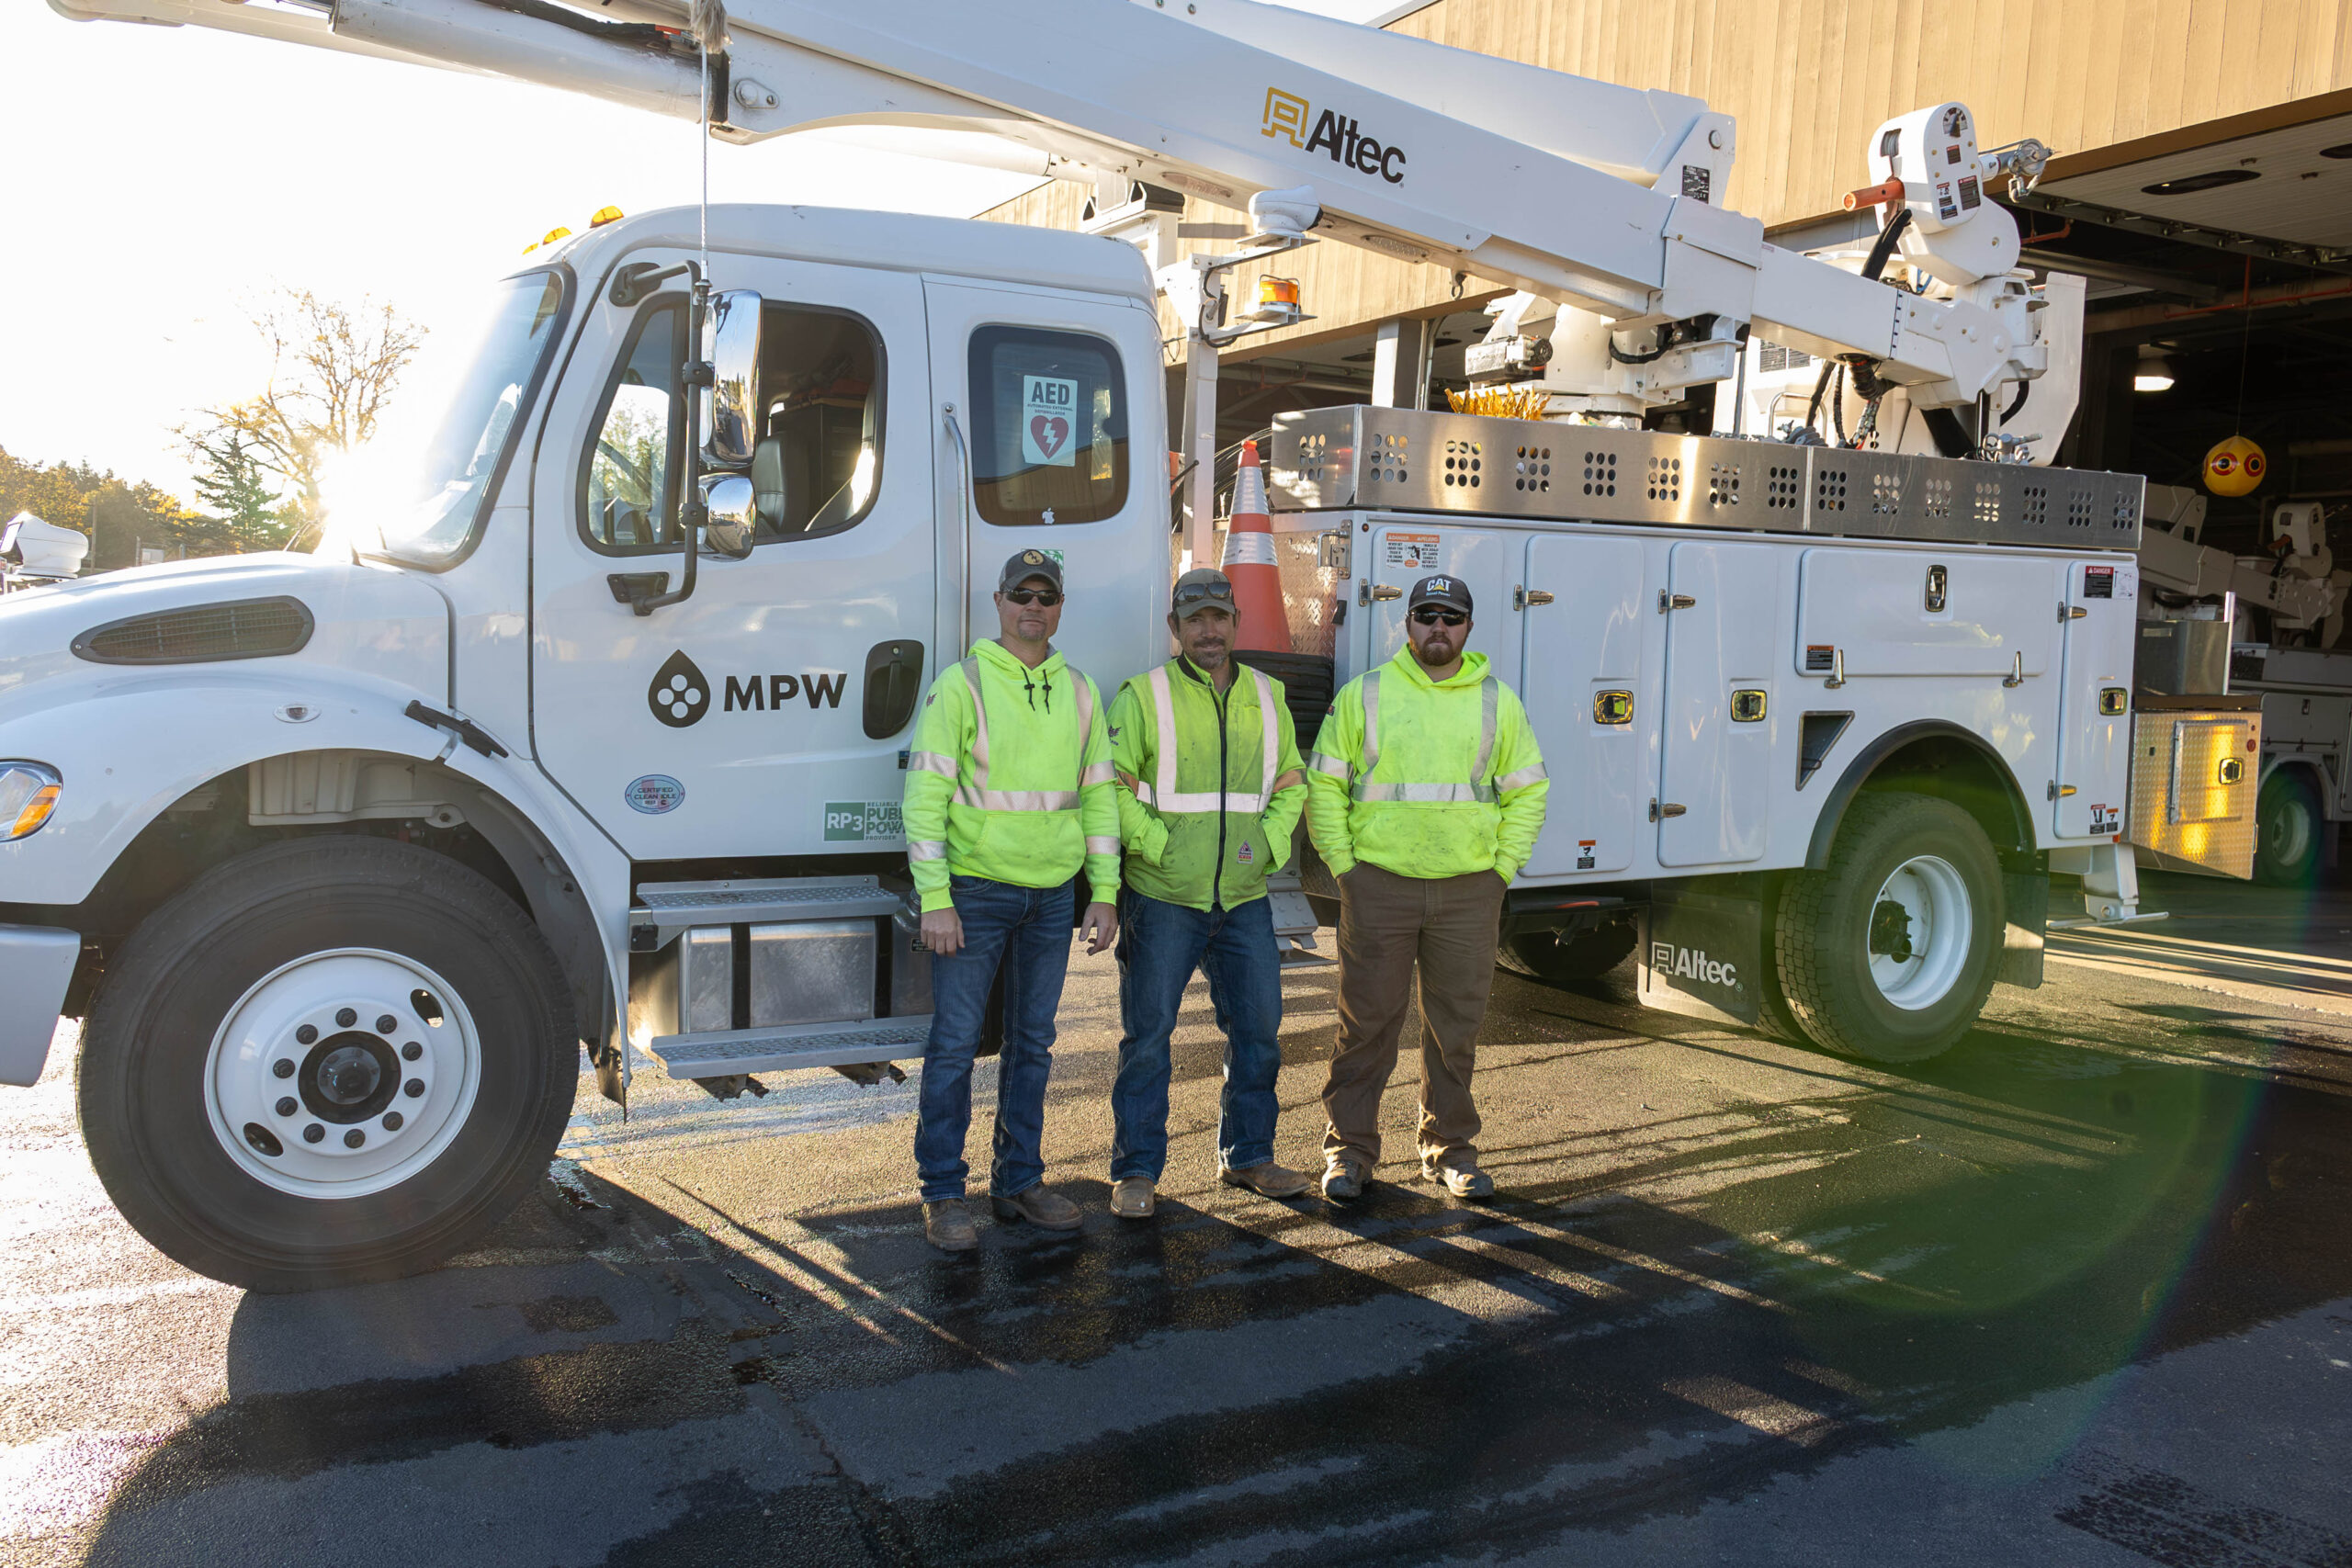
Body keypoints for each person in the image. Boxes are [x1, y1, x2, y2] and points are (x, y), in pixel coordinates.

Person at [902, 549, 1121, 1253]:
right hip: (974, 894)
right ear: (998, 602)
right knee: (956, 1046)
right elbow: (924, 797)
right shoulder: (962, 685)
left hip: (1053, 896)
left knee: (1033, 1044)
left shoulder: (1081, 691)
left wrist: (1105, 892)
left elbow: (1099, 799)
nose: (1034, 605)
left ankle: (1018, 1180)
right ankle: (942, 1193)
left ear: (1060, 607)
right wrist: (935, 898)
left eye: (1046, 595)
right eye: (1021, 593)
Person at [1306, 574, 1549, 1202]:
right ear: (1406, 623)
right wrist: (1346, 870)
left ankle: (1450, 1151)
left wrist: (1501, 872)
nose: (1438, 627)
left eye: (1451, 616)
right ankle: (1349, 1152)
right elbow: (1325, 785)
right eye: (1426, 615)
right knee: (1366, 1026)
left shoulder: (1498, 700)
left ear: (1469, 627)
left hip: (1469, 891)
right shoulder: (1368, 694)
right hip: (1378, 885)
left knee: (1455, 1029)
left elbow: (1528, 791)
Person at [1104, 569, 1313, 1219]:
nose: (1208, 629)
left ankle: (1248, 1155)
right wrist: (1157, 847)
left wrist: (1271, 847)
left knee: (1258, 1032)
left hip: (1244, 894)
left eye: (1218, 616)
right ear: (1175, 628)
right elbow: (1109, 787)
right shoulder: (1143, 696)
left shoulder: (1267, 694)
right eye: (1194, 619)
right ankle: (1136, 1171)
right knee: (1148, 1037)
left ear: (1235, 622)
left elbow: (1291, 783)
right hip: (1164, 895)